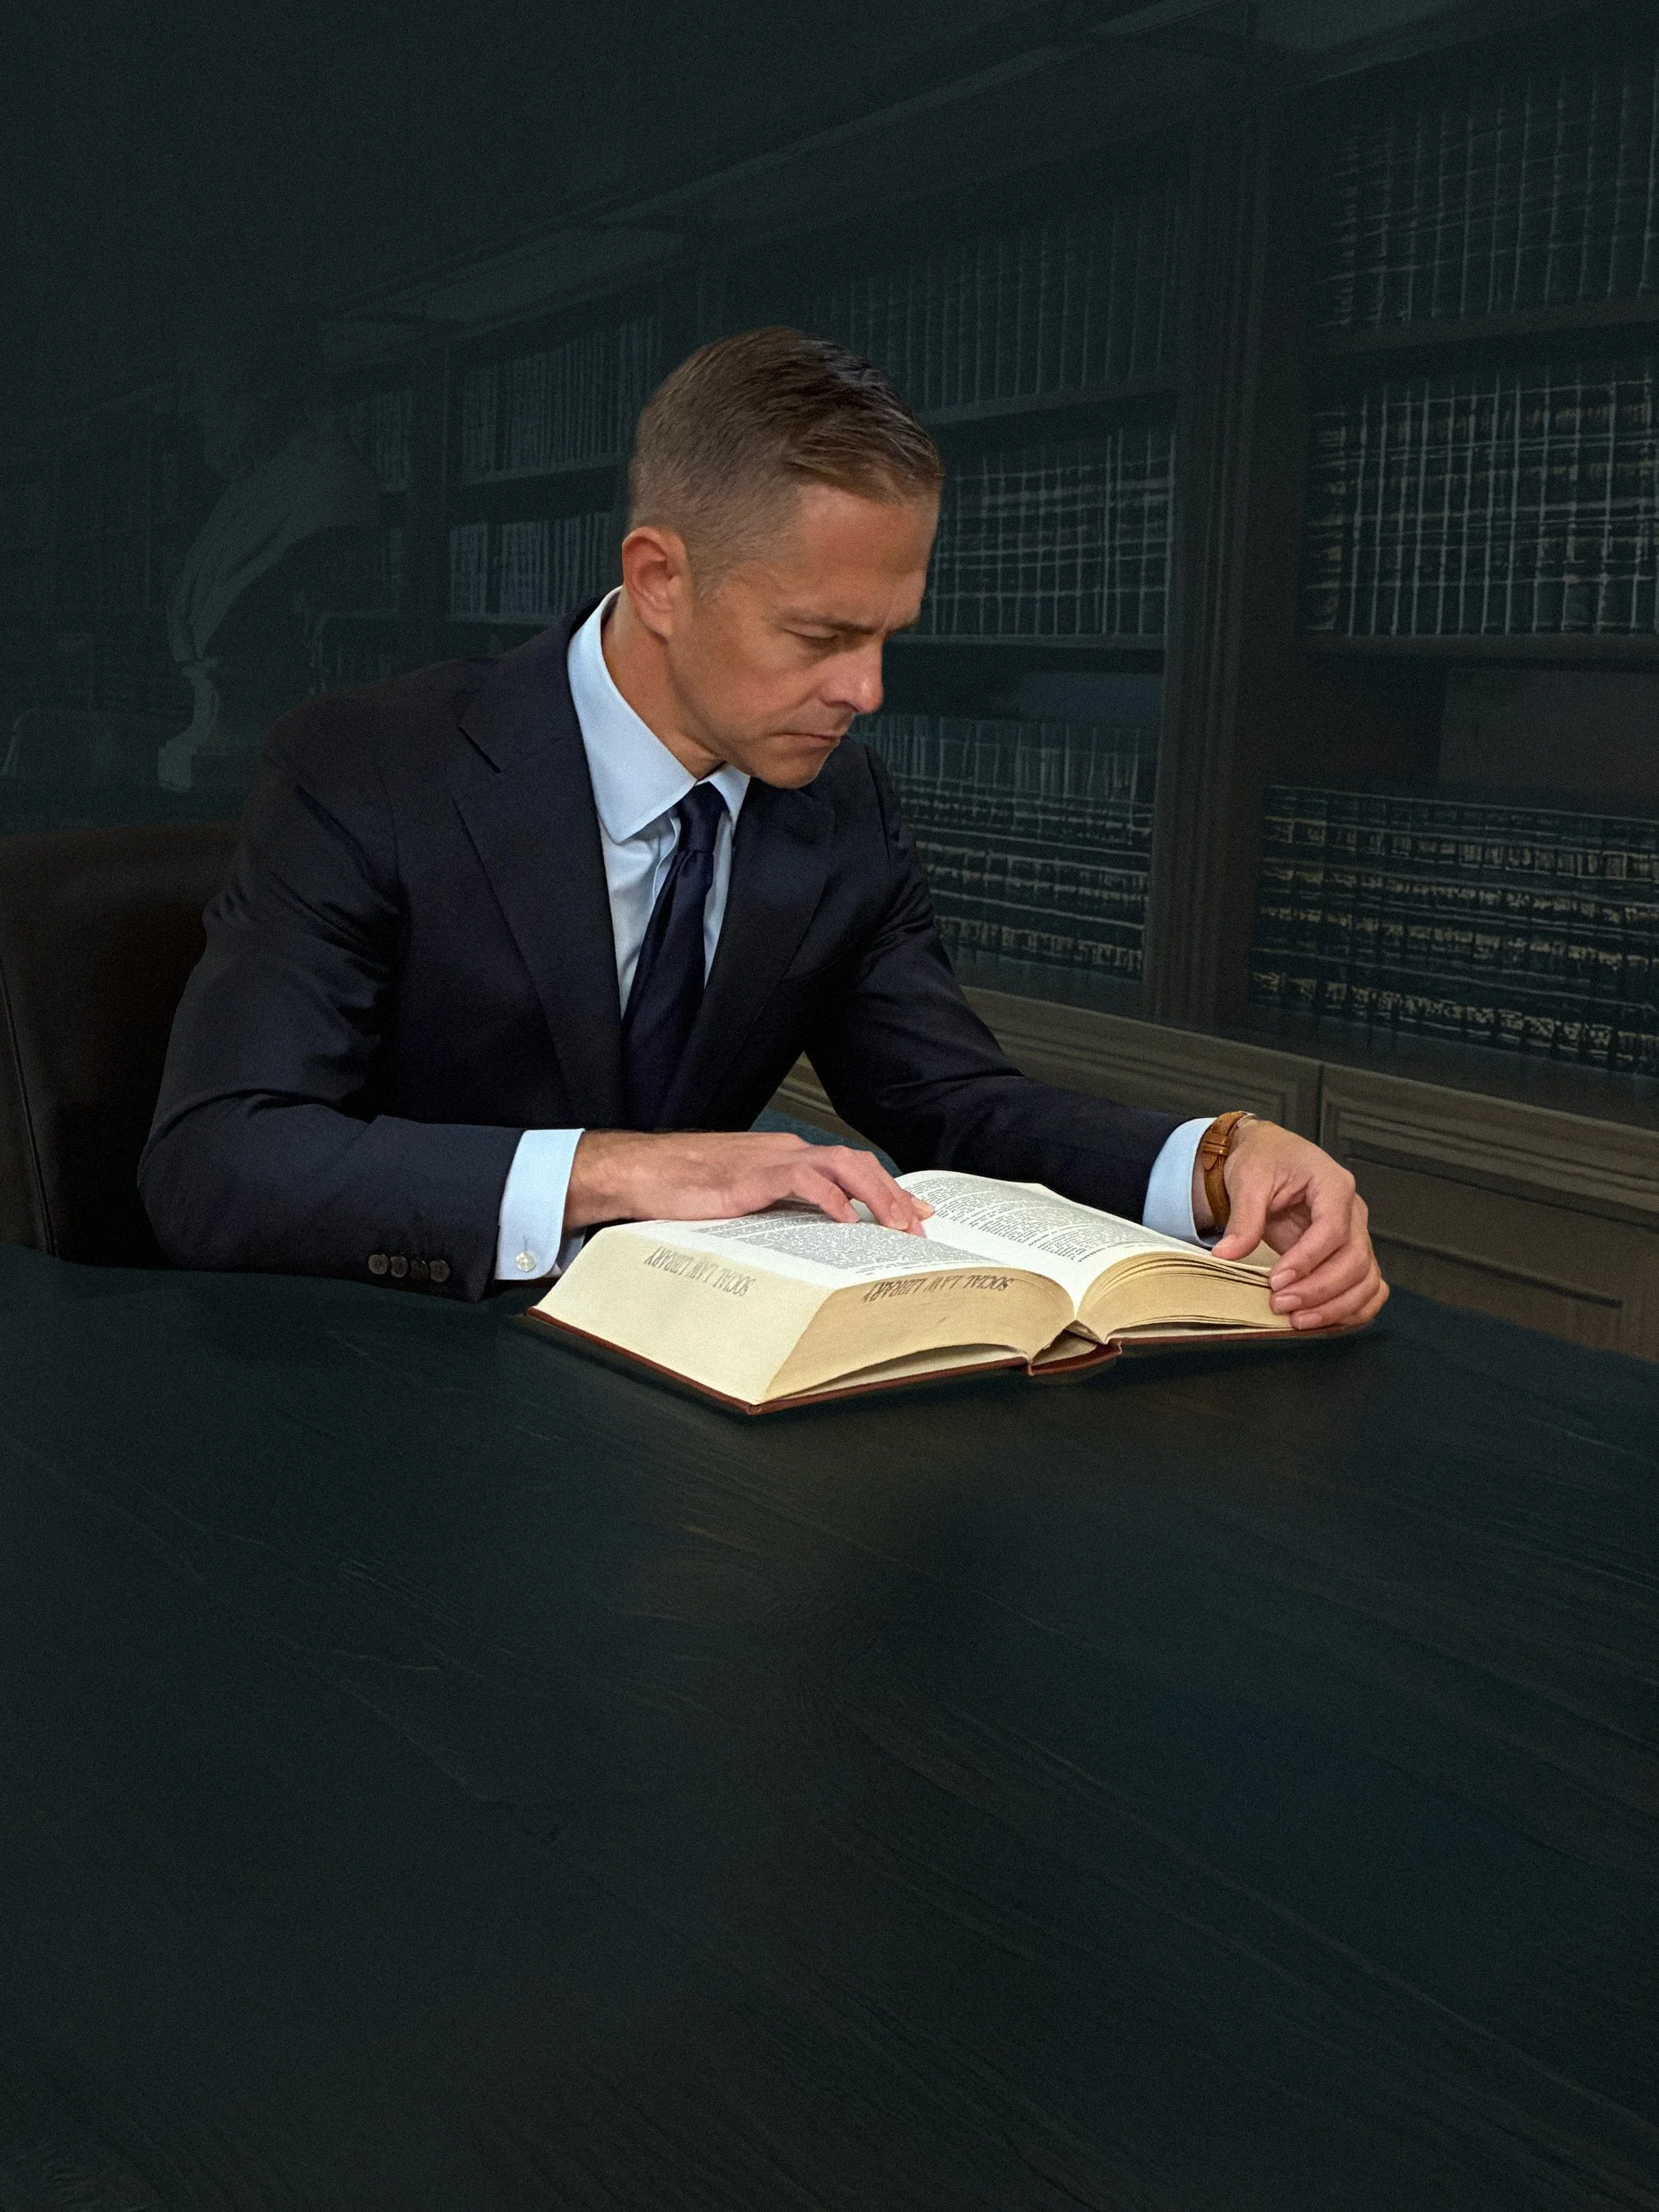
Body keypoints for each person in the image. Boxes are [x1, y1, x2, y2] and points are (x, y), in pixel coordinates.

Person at [141, 328, 1387, 1334]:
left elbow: (952, 1101)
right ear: (659, 579)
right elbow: (218, 1161)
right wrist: (623, 1168)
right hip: (373, 1398)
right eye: (823, 636)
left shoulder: (841, 807)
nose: (869, 691)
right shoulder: (368, 765)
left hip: (685, 1402)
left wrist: (1213, 1160)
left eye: (890, 634)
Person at [160, 312, 382, 792]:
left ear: (266, 389)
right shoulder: (240, 495)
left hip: (261, 756)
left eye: (204, 384)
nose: (192, 409)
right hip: (214, 740)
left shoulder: (330, 485)